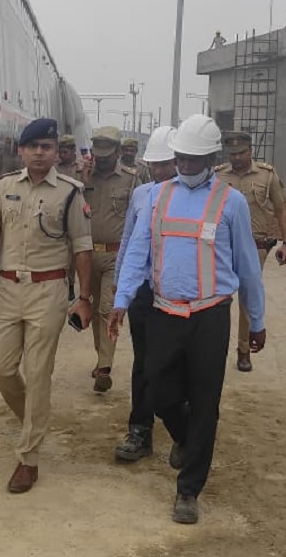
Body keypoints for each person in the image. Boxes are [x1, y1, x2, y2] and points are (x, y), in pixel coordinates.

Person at [108, 114, 266, 525]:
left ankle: (188, 489)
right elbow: (138, 251)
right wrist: (121, 301)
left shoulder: (231, 202)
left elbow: (248, 268)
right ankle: (184, 436)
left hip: (210, 316)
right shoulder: (157, 197)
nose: (185, 166)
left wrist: (257, 320)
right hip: (164, 313)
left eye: (194, 159)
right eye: (180, 158)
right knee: (160, 392)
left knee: (206, 403)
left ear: (211, 158)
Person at [0, 117, 94, 493]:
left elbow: (82, 248)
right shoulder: (4, 188)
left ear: (57, 153)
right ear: (21, 151)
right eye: (33, 146)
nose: (40, 152)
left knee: (38, 374)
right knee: (1, 369)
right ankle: (33, 421)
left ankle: (29, 458)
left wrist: (84, 298)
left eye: (47, 147)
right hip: (9, 290)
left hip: (49, 291)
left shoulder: (71, 192)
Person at [112, 125, 178, 462]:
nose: (159, 171)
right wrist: (120, 286)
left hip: (178, 296)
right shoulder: (141, 196)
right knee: (144, 363)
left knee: (175, 364)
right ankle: (140, 429)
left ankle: (182, 429)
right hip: (142, 293)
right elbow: (128, 240)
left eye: (165, 164)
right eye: (155, 165)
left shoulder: (193, 198)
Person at [214, 131, 286, 372]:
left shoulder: (266, 175)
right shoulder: (218, 176)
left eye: (242, 153)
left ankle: (244, 350)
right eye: (233, 154)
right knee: (219, 300)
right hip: (223, 247)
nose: (237, 158)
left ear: (250, 151)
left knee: (248, 299)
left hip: (255, 246)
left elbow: (281, 210)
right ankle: (214, 348)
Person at [81, 126, 142, 393]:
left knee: (108, 309)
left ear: (117, 152)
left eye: (107, 154)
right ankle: (100, 357)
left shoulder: (131, 180)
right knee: (94, 311)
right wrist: (81, 180)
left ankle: (105, 367)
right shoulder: (81, 177)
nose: (102, 159)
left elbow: (141, 218)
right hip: (85, 256)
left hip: (116, 256)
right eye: (98, 154)